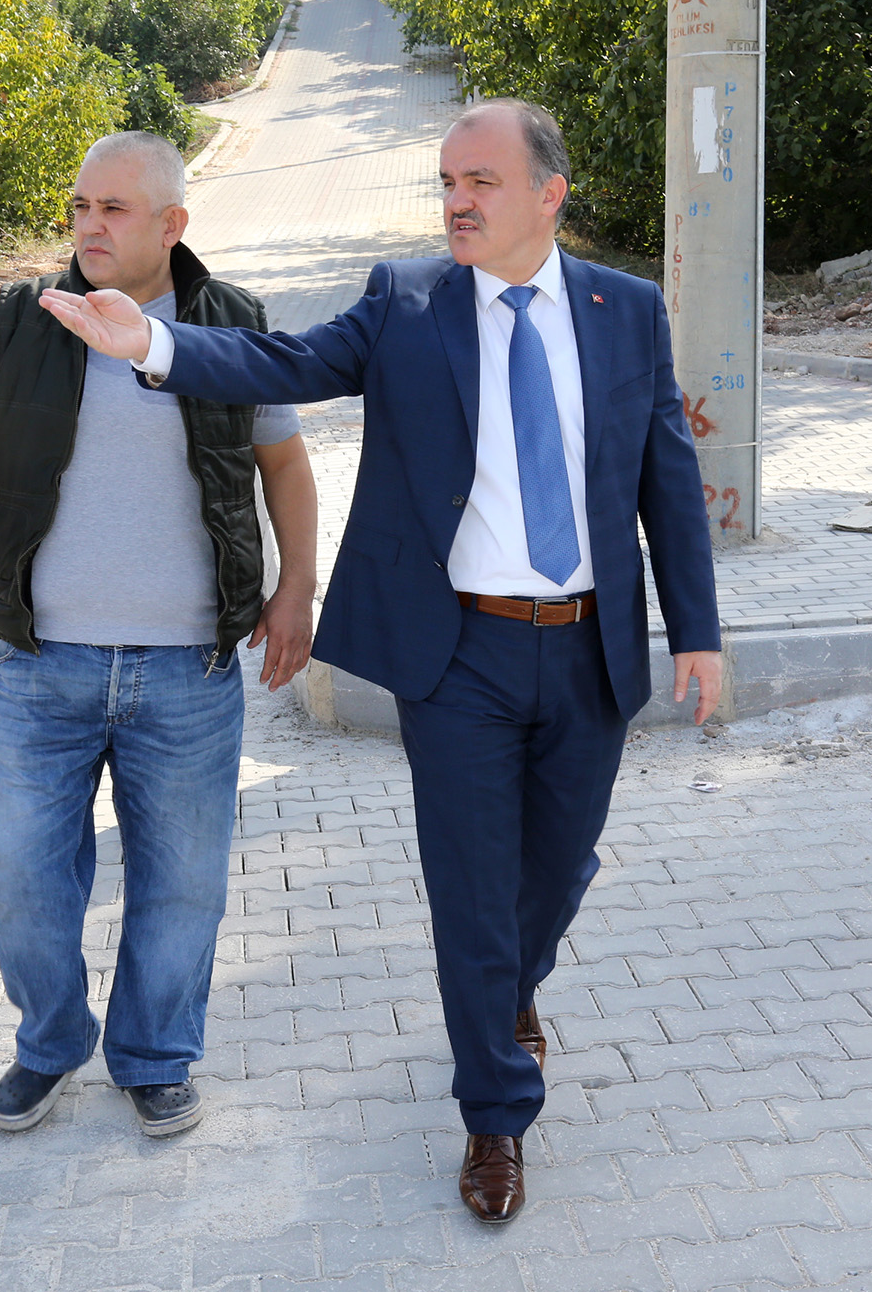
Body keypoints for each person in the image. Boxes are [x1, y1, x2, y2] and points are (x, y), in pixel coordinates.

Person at [43, 99, 723, 1222]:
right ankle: (495, 1115)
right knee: (470, 893)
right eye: (447, 181)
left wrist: (695, 629)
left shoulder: (626, 308)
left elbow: (665, 476)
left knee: (555, 871)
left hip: (588, 647)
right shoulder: (406, 301)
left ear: (548, 194)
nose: (456, 201)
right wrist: (153, 345)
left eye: (481, 181)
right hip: (458, 654)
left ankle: (513, 986)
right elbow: (286, 358)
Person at [0, 131, 319, 1140]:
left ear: (173, 225)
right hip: (35, 668)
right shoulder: (27, 319)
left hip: (188, 672)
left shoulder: (229, 325)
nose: (89, 226)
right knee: (16, 871)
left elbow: (284, 464)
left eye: (114, 209)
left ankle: (155, 1055)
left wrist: (297, 590)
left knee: (182, 886)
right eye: (80, 206)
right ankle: (50, 1041)